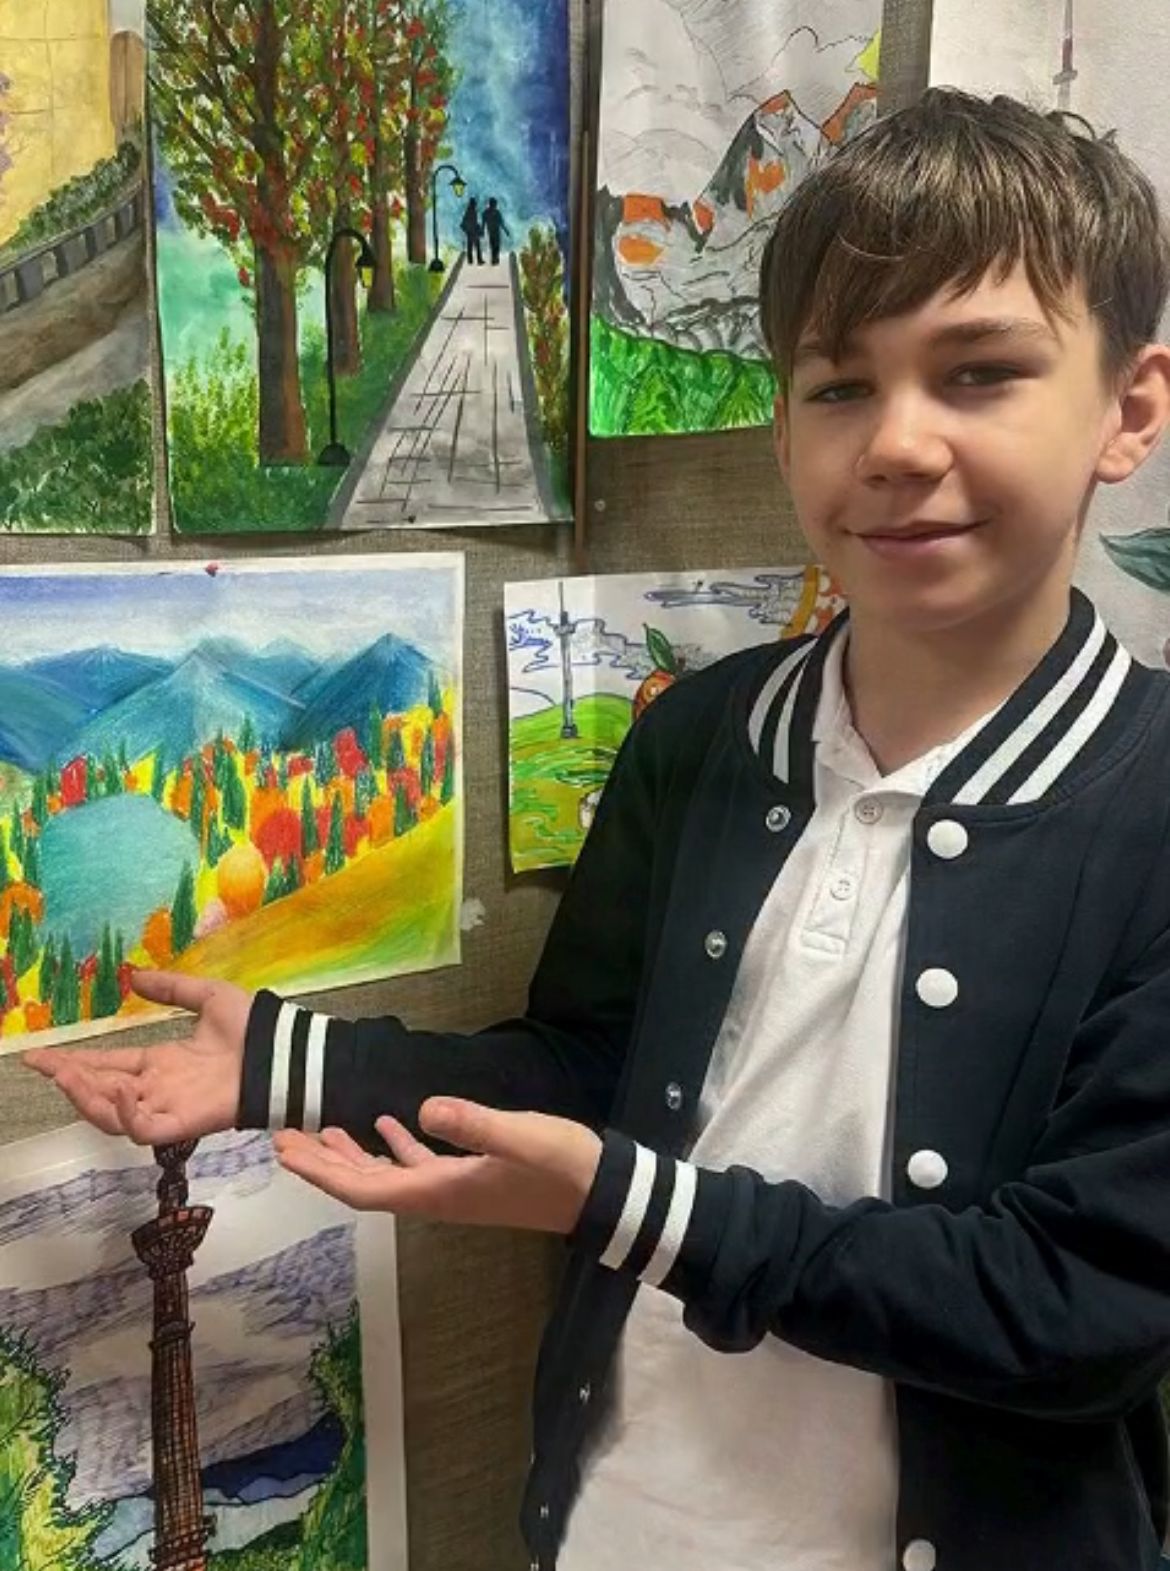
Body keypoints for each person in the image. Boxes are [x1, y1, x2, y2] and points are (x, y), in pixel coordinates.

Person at [26, 89, 1170, 1571]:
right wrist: (294, 1063)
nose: (897, 441)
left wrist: (631, 1203)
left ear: (1129, 408)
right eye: (838, 385)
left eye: (978, 373)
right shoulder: (701, 737)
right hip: (620, 1520)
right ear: (781, 422)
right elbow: (590, 1066)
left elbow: (1075, 1307)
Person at [483, 196, 511, 265]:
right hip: (495, 231)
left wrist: (482, 230)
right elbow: (501, 223)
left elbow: (483, 223)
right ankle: (495, 258)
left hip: (491, 231)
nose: (495, 205)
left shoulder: (486, 212)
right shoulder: (497, 212)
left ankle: (494, 259)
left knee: (493, 245)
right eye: (495, 204)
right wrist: (506, 231)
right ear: (493, 204)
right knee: (496, 245)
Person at [460, 196, 483, 265]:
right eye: (475, 204)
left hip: (470, 231)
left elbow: (466, 221)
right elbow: (472, 222)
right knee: (477, 246)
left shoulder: (469, 211)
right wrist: (477, 228)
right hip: (473, 231)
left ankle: (470, 260)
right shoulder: (471, 211)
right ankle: (478, 260)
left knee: (470, 246)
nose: (475, 205)